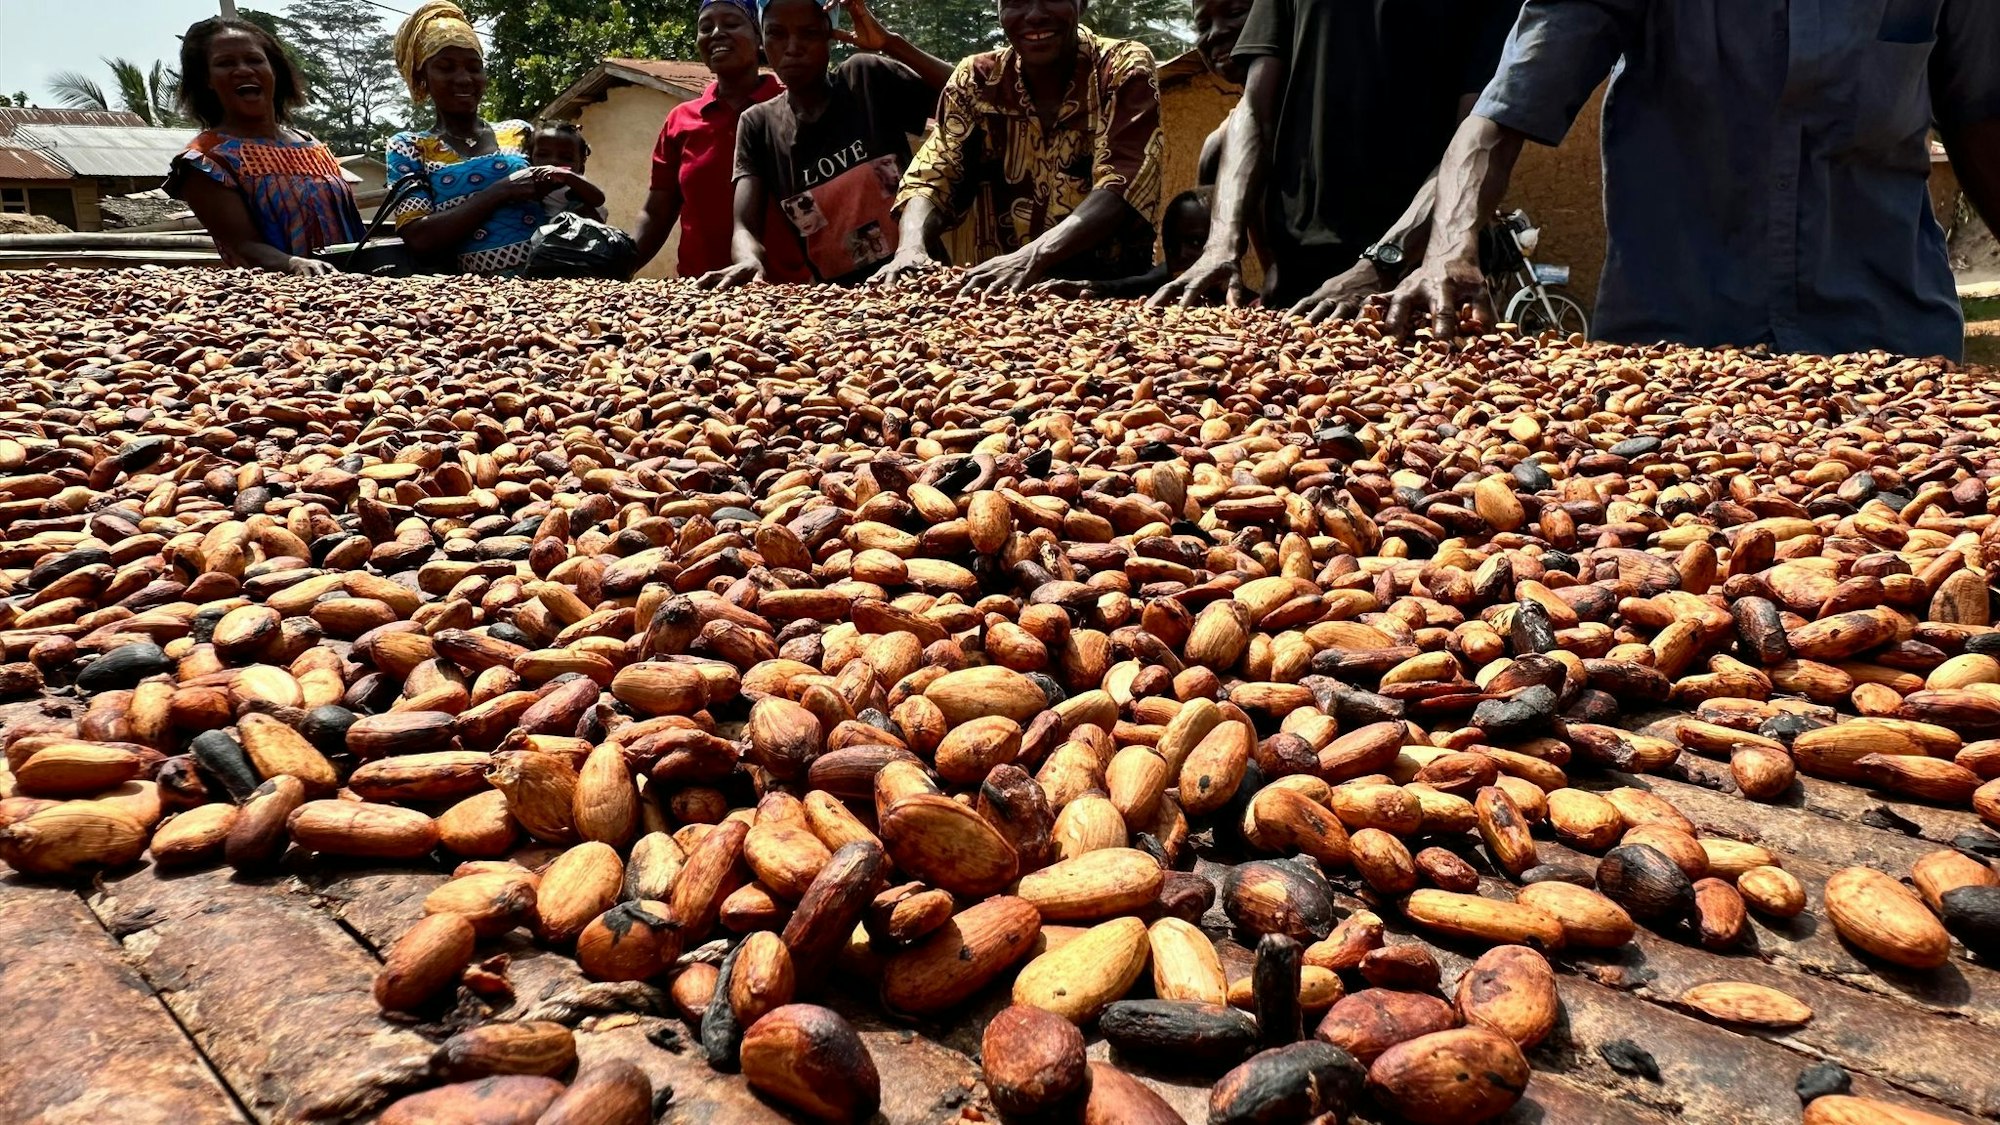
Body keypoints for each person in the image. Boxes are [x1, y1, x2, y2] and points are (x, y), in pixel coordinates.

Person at [1382, 0, 2000, 361]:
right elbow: (1503, 111)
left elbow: (1982, 125)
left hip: (1891, 350)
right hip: (1674, 355)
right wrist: (1449, 247)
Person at [1151, 0, 1522, 318]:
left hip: (1414, 284)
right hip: (1296, 285)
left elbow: (1478, 138)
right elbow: (1254, 112)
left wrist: (1382, 263)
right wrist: (1222, 243)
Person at [878, 0, 1166, 295]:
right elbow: (933, 175)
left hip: (1108, 295)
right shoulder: (976, 80)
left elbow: (1122, 185)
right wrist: (911, 246)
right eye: (1016, 2)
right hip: (997, 296)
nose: (1035, 15)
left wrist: (1029, 258)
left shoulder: (1121, 67)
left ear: (1081, 4)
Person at [702, 0, 953, 288]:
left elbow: (971, 94)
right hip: (838, 306)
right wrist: (748, 259)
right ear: (762, 38)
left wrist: (890, 43)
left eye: (808, 33)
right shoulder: (758, 125)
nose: (792, 47)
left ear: (829, 35)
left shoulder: (865, 79)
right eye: (777, 33)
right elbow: (745, 226)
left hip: (919, 282)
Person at [386, 1, 597, 275]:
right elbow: (419, 239)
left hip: (555, 281)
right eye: (446, 67)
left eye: (474, 67)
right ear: (422, 76)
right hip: (475, 301)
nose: (464, 78)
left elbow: (570, 196)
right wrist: (502, 191)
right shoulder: (410, 147)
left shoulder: (520, 132)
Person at [164, 18, 363, 275]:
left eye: (254, 60)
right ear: (207, 80)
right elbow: (243, 246)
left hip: (359, 291)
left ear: (274, 71)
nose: (243, 70)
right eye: (225, 63)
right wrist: (294, 264)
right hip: (281, 302)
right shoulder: (206, 160)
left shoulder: (311, 144)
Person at [631, 0, 808, 280]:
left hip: (789, 294)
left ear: (760, 38)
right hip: (699, 291)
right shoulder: (681, 120)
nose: (715, 33)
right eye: (705, 27)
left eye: (731, 24)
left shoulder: (795, 107)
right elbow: (656, 214)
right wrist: (615, 270)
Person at [1038, 188, 1211, 299]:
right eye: (1171, 246)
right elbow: (1141, 282)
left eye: (1196, 242)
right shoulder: (1171, 277)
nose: (1181, 254)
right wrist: (1091, 288)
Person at [527, 121, 609, 222]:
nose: (553, 162)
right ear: (530, 159)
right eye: (543, 155)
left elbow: (599, 199)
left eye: (567, 158)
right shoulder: (526, 184)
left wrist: (568, 176)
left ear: (581, 167)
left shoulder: (576, 184)